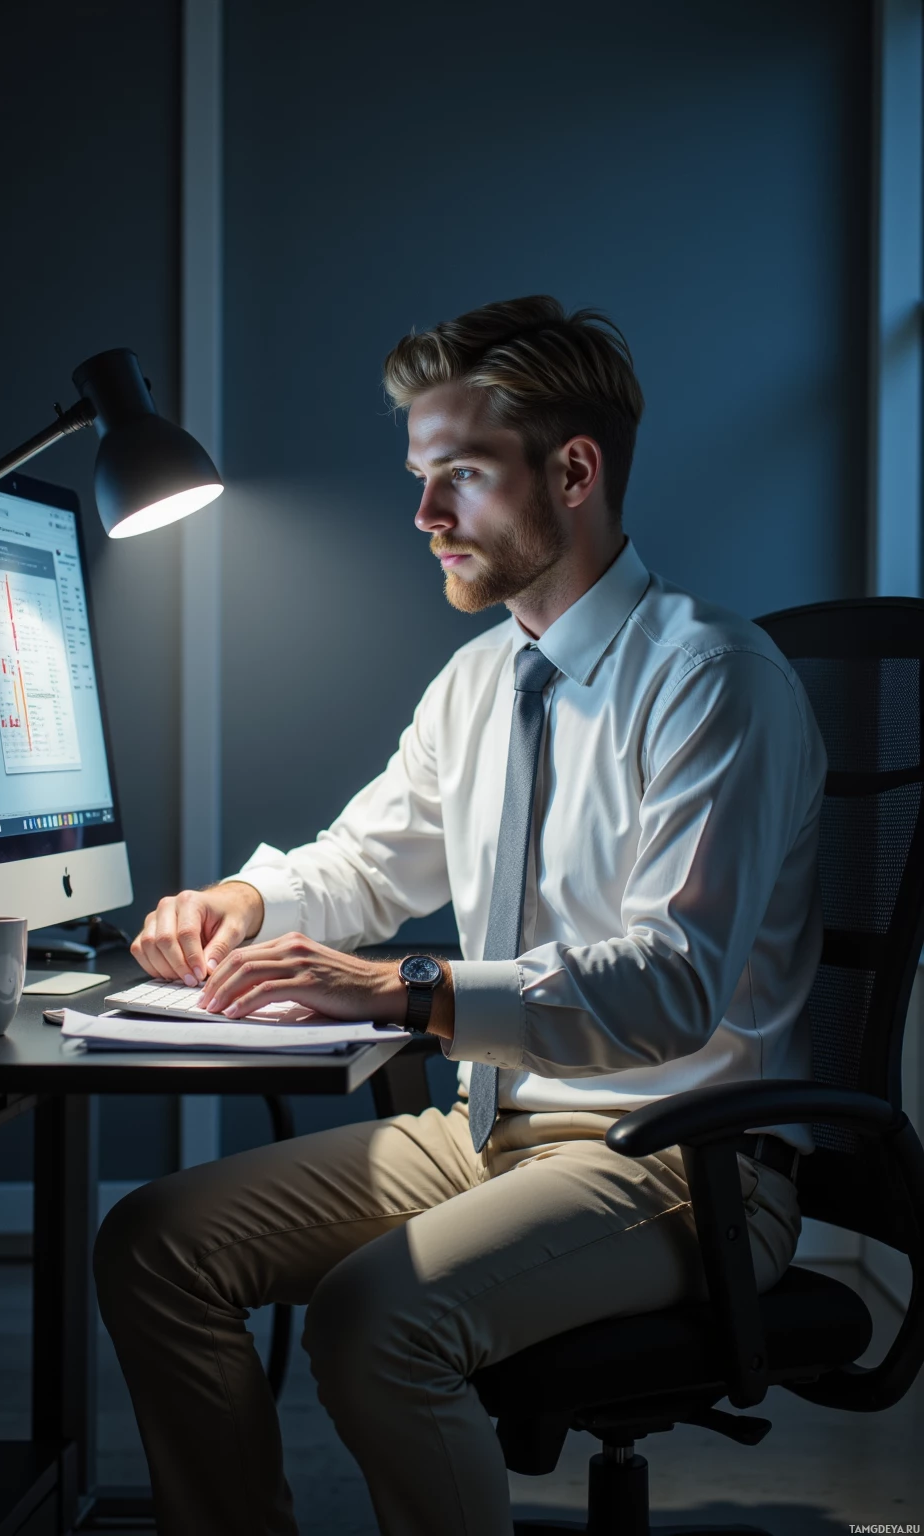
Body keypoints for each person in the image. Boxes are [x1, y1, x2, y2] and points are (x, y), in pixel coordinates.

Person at [94, 295, 826, 1536]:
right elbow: (369, 858)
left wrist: (407, 991)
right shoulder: (483, 678)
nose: (425, 516)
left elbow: (671, 983)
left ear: (574, 472)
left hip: (685, 1162)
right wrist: (240, 898)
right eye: (421, 476)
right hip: (495, 1132)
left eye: (461, 477)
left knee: (375, 1318)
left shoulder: (713, 681)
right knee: (156, 1244)